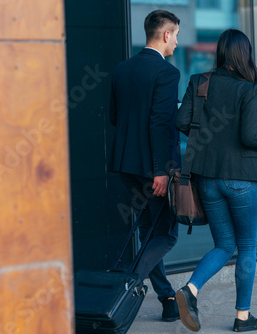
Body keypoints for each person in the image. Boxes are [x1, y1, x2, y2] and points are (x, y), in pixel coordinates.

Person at [174, 29, 257, 332]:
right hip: (242, 179)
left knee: (224, 245)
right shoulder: (247, 89)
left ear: (222, 53)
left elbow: (182, 121)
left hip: (208, 179)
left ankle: (190, 290)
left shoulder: (200, 81)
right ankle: (242, 318)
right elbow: (250, 136)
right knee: (247, 247)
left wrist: (210, 141)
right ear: (244, 54)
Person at [108, 9, 181, 322]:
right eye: (176, 35)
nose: (176, 42)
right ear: (165, 35)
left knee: (151, 233)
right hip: (154, 170)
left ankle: (167, 301)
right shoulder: (167, 73)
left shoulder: (122, 69)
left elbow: (114, 117)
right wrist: (162, 171)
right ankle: (126, 286)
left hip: (126, 166)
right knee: (166, 234)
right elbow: (161, 124)